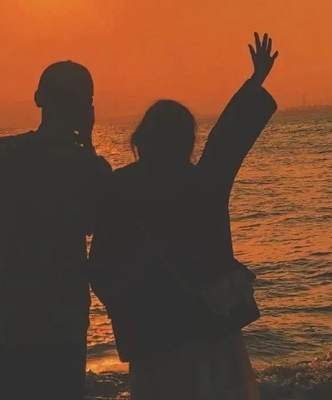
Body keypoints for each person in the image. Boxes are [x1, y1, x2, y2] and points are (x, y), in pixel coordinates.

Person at [89, 33, 278, 400]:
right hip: (209, 328)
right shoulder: (203, 182)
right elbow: (228, 138)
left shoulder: (120, 186)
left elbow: (100, 266)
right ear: (187, 140)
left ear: (141, 138)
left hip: (150, 334)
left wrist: (126, 314)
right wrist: (255, 81)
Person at [0, 61, 111, 399]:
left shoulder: (2, 153)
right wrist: (88, 144)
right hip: (61, 315)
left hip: (5, 309)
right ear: (86, 109)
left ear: (38, 98)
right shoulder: (91, 168)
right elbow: (93, 223)